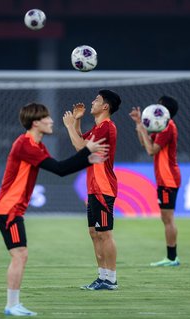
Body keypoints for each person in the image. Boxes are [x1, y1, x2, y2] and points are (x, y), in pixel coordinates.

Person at [0, 102, 108, 316]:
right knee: (20, 255)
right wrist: (87, 151)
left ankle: (13, 304)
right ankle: (11, 305)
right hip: (8, 209)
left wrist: (88, 158)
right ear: (36, 123)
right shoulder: (25, 144)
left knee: (20, 255)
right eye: (47, 118)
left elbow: (61, 169)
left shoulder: (36, 145)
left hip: (11, 208)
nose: (51, 121)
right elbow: (60, 168)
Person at [63, 89, 121, 290]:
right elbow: (79, 143)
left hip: (103, 187)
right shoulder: (98, 128)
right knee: (94, 233)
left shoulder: (106, 127)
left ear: (105, 106)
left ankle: (111, 280)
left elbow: (81, 148)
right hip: (94, 187)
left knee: (105, 233)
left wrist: (70, 125)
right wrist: (77, 122)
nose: (92, 103)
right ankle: (102, 277)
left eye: (96, 100)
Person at [129, 96, 181, 267]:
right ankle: (172, 257)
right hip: (165, 178)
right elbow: (146, 144)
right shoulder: (163, 127)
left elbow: (151, 151)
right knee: (166, 218)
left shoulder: (167, 128)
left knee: (168, 218)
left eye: (159, 105)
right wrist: (139, 124)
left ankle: (172, 258)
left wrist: (142, 128)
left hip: (168, 179)